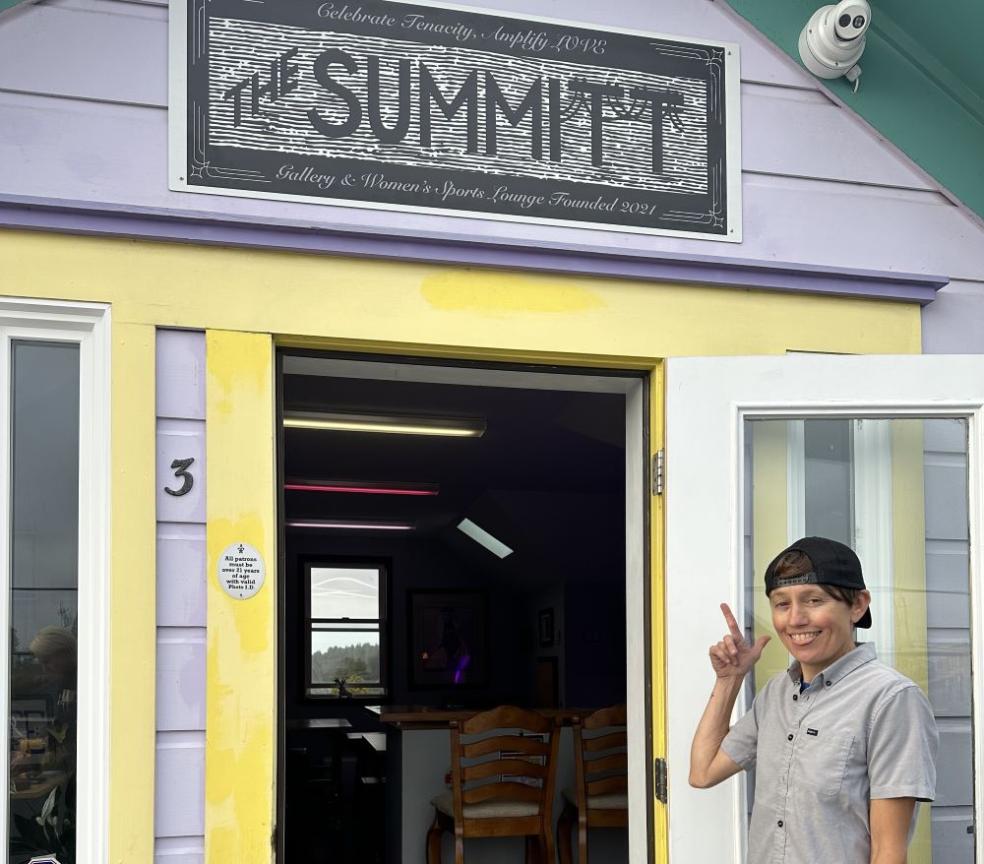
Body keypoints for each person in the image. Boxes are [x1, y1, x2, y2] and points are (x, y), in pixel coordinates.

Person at [689, 536, 938, 864]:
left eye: (814, 600)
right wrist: (729, 679)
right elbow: (703, 772)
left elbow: (889, 852)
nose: (795, 619)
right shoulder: (776, 694)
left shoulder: (890, 700)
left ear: (858, 605)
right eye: (782, 604)